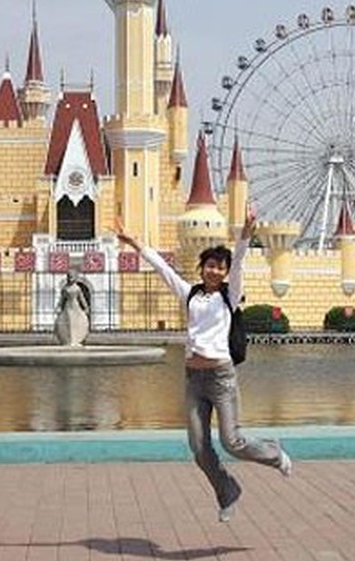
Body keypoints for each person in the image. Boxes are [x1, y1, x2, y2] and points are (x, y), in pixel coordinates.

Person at [114, 209, 292, 522]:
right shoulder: (190, 294)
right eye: (210, 265)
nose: (214, 271)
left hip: (221, 378)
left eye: (219, 267)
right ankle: (227, 492)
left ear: (224, 272)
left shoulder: (230, 297)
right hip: (194, 379)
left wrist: (247, 233)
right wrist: (134, 242)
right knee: (199, 448)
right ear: (202, 268)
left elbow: (239, 262)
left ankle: (274, 454)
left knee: (232, 441)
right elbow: (162, 268)